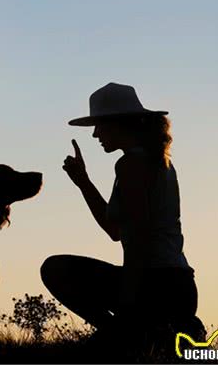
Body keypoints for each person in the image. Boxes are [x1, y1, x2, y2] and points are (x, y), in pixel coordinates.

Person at [40, 82, 205, 348]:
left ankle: (127, 332)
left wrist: (129, 302)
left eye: (100, 125)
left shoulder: (131, 165)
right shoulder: (153, 161)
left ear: (120, 124)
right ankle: (151, 331)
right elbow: (115, 231)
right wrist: (83, 182)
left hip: (157, 284)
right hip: (176, 286)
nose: (95, 134)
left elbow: (138, 238)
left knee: (55, 269)